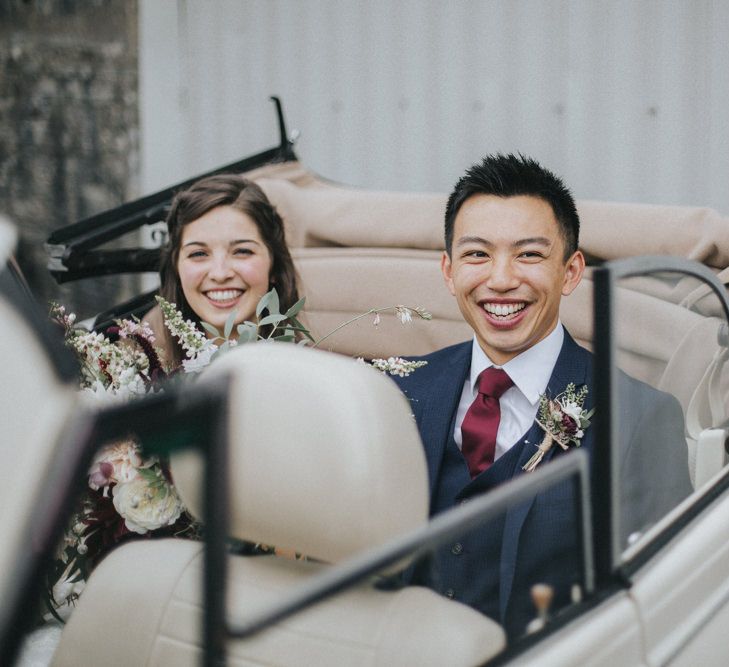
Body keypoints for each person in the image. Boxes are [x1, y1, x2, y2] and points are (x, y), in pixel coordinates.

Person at [393, 153, 692, 638]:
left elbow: (662, 607)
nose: (502, 279)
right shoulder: (403, 388)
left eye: (529, 254)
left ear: (571, 271)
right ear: (448, 271)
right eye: (477, 255)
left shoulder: (640, 418)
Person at [145, 174, 300, 368]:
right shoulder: (138, 363)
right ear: (176, 267)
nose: (220, 274)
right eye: (199, 253)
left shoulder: (312, 376)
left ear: (274, 266)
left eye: (242, 251)